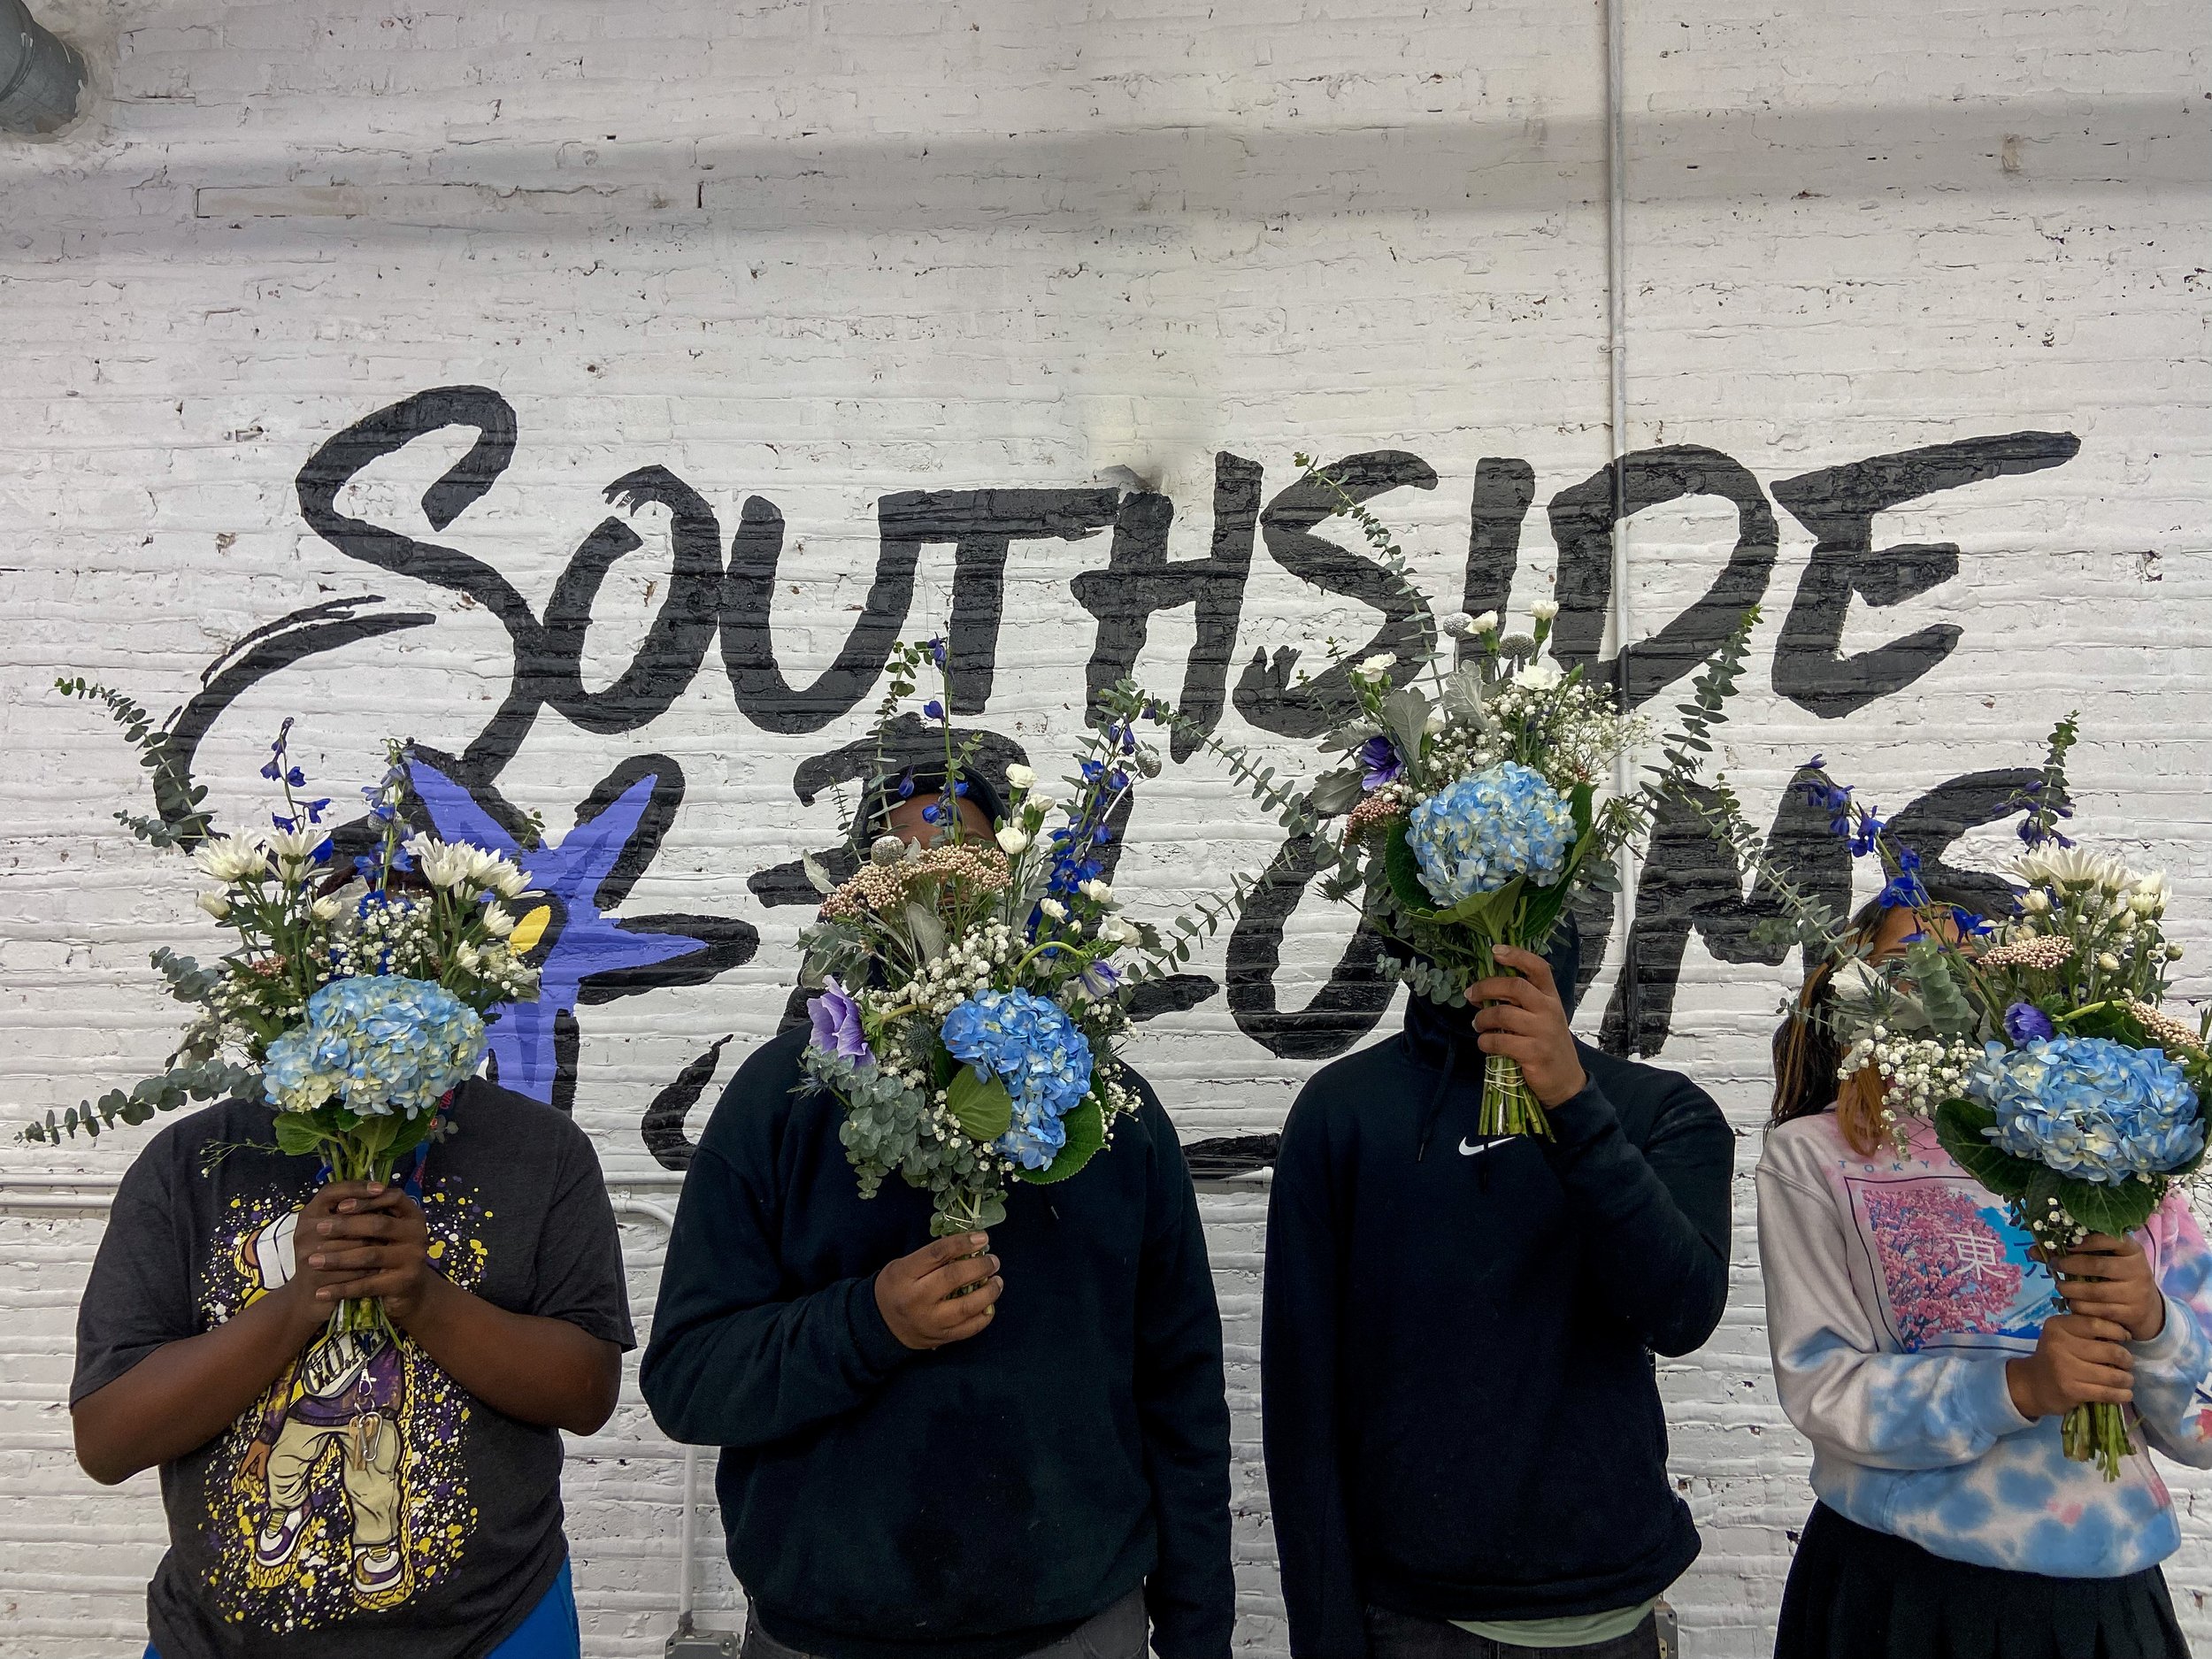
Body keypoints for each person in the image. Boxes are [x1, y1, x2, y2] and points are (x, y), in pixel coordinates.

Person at [639, 764, 1234, 1659]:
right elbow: (688, 1380)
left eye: (967, 845)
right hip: (826, 1633)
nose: (940, 869)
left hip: (1074, 1623)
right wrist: (869, 1322)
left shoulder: (1108, 1105)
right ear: (862, 897)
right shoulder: (780, 1097)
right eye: (907, 847)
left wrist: (1198, 1636)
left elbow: (1180, 1391)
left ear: (1016, 883)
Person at [1263, 922, 1734, 1659]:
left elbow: (1682, 1310)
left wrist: (1573, 1105)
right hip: (1413, 1616)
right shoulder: (1343, 1112)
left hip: (1606, 1609)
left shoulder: (1656, 1109)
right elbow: (1302, 1404)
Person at [1759, 901, 2212, 1659]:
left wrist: (2154, 1321)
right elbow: (1822, 1386)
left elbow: (2202, 1428)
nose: (1945, 975)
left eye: (1975, 956)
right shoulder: (1817, 1157)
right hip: (1896, 1588)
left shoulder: (2117, 1147)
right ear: (1852, 984)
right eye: (1911, 957)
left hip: (2099, 1599)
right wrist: (2018, 1389)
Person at [72, 1076, 634, 1659]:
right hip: (216, 1639)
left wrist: (422, 1299)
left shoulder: (540, 1148)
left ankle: (379, 1548)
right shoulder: (191, 1157)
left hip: (492, 1630)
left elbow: (586, 1395)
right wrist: (299, 1300)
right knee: (288, 1464)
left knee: (372, 1480)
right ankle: (284, 1516)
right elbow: (107, 1440)